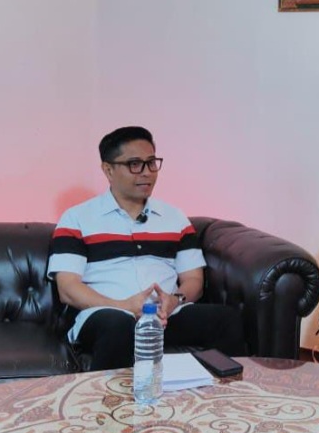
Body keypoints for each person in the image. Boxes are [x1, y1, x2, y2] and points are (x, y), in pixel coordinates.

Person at [48, 126, 246, 370]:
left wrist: (175, 300)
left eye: (151, 163)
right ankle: (111, 396)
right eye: (135, 164)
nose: (147, 172)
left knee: (225, 319)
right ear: (108, 170)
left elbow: (193, 278)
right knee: (118, 325)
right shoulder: (77, 218)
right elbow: (68, 288)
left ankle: (232, 392)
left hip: (166, 317)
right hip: (106, 315)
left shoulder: (175, 218)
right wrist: (124, 306)